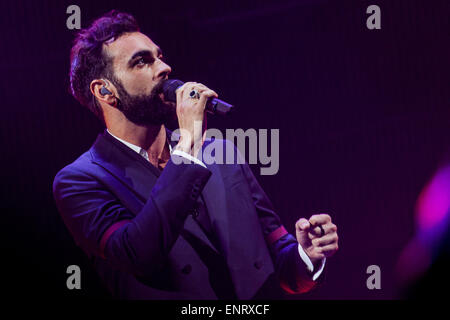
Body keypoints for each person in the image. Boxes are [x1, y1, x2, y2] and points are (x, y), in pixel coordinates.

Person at [53, 10, 339, 299]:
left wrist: (306, 256)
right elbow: (135, 252)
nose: (164, 67)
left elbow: (278, 255)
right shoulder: (81, 180)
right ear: (105, 90)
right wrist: (189, 142)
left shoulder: (220, 153)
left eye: (159, 56)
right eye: (142, 61)